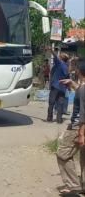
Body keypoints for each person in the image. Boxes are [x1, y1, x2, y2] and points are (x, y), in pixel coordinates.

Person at [58, 58, 85, 194]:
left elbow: (84, 114)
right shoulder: (82, 87)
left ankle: (73, 185)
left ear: (79, 70)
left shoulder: (83, 89)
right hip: (80, 127)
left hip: (77, 127)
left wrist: (81, 134)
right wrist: (72, 84)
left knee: (63, 154)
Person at [46, 47, 69, 123]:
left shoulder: (60, 64)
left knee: (51, 102)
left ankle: (49, 118)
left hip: (56, 86)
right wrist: (68, 88)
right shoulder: (66, 67)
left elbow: (55, 57)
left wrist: (51, 50)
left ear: (61, 58)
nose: (59, 56)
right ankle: (59, 119)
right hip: (62, 88)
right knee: (60, 104)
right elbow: (68, 78)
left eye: (60, 56)